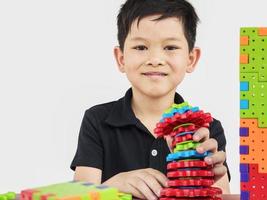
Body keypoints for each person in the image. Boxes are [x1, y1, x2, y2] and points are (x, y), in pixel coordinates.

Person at [70, 0, 231, 199]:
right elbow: (77, 195)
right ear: (121, 59)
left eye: (170, 47)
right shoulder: (97, 120)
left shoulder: (208, 128)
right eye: (140, 47)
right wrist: (113, 185)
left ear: (191, 59)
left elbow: (223, 194)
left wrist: (207, 176)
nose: (155, 59)